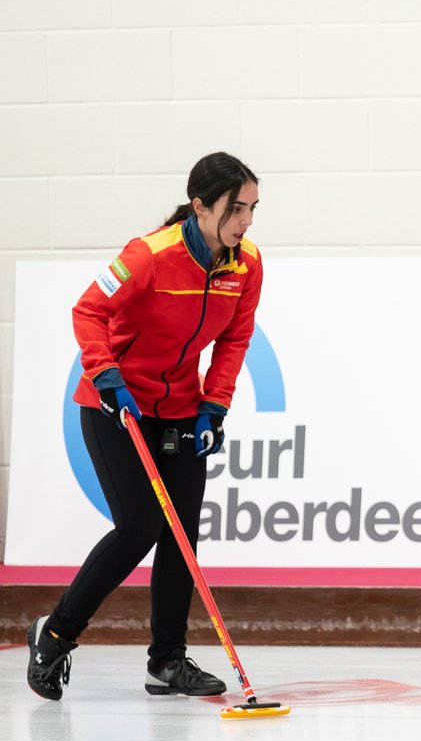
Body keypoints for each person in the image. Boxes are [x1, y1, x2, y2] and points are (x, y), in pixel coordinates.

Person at [26, 152, 263, 702]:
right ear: (200, 207)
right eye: (236, 209)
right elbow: (88, 310)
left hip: (180, 406)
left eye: (253, 209)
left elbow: (234, 340)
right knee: (139, 527)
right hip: (117, 404)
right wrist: (106, 375)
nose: (246, 222)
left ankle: (168, 661)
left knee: (181, 533)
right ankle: (56, 633)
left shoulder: (245, 264)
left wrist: (216, 405)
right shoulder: (148, 255)